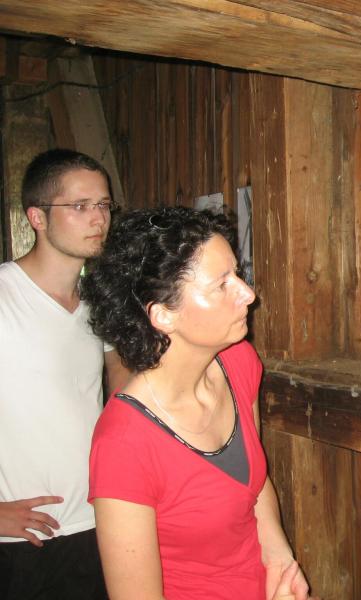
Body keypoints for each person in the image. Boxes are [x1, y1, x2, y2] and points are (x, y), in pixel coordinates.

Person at [81, 206, 311, 600]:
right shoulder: (123, 443)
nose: (248, 294)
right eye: (222, 285)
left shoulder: (238, 362)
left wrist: (280, 562)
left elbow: (253, 486)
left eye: (237, 274)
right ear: (163, 315)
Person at [0, 148, 128, 599]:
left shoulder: (98, 303)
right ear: (37, 217)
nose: (99, 218)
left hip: (99, 522)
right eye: (79, 206)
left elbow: (119, 371)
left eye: (104, 204)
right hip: (23, 542)